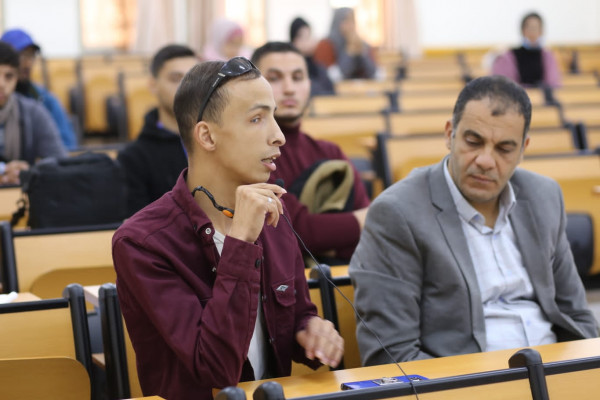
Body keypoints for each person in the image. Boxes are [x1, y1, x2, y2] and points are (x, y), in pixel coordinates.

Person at [112, 57, 344, 400]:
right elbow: (216, 369)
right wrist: (241, 242)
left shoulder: (272, 215)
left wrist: (310, 330)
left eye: (273, 116)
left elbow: (296, 315)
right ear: (207, 136)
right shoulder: (142, 242)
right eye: (257, 119)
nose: (279, 136)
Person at [349, 75, 598, 365]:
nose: (485, 161)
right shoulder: (397, 213)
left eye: (504, 149)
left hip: (557, 372)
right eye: (473, 142)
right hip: (469, 380)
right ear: (449, 134)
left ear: (523, 149)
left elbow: (577, 314)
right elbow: (392, 355)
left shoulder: (544, 196)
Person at [251, 42, 370, 265]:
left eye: (297, 78)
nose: (289, 88)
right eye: (274, 78)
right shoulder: (251, 156)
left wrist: (332, 233)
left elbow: (371, 234)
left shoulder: (330, 152)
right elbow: (296, 231)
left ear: (309, 83)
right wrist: (363, 222)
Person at [117, 44, 197, 216]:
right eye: (175, 79)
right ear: (153, 85)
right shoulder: (134, 158)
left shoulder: (219, 141)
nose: (186, 88)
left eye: (193, 79)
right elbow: (139, 223)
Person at [0, 41, 66, 185]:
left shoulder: (33, 112)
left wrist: (29, 171)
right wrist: (3, 171)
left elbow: (59, 160)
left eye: (8, 76)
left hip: (23, 192)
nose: (2, 84)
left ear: (17, 78)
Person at [1, 28, 78, 149]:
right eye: (21, 56)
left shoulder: (43, 100)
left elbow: (66, 146)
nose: (27, 63)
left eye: (31, 56)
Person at [491, 12, 562, 88]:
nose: (533, 32)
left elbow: (553, 83)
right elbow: (506, 86)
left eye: (536, 28)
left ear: (541, 31)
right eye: (530, 28)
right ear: (523, 30)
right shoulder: (510, 56)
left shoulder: (547, 56)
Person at [313, 7, 377, 81]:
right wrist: (349, 53)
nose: (351, 26)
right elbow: (330, 78)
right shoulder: (326, 45)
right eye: (346, 21)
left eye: (353, 21)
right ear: (337, 22)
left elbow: (375, 74)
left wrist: (362, 53)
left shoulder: (362, 44)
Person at [290, 17, 335, 96]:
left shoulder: (319, 67)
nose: (311, 41)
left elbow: (332, 92)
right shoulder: (292, 69)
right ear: (294, 41)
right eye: (305, 37)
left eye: (310, 36)